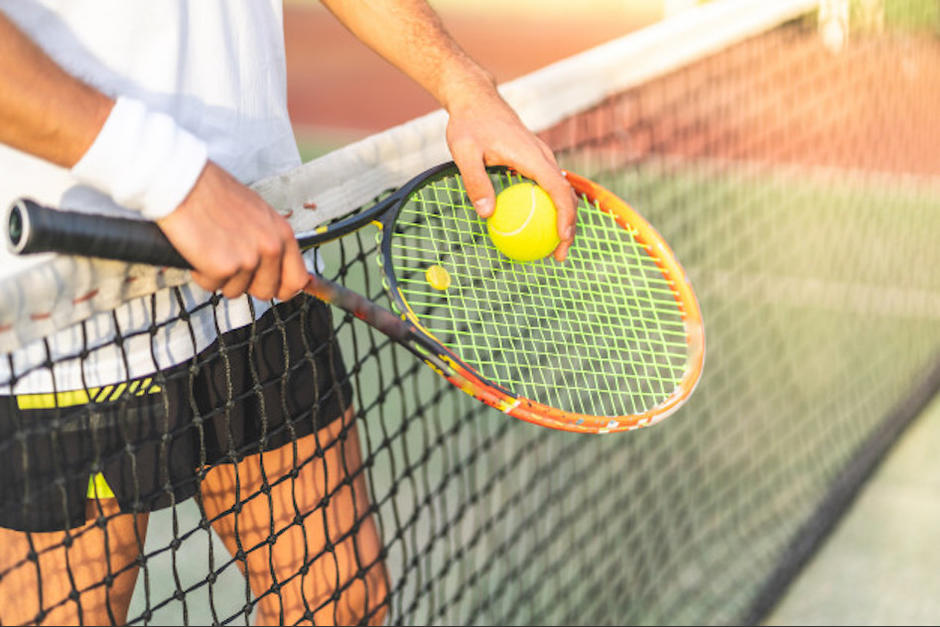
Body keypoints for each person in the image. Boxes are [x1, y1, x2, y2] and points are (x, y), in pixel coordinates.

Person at [0, 1, 577, 624]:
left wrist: (462, 81)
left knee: (341, 603)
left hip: (260, 248)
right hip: (63, 308)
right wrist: (174, 180)